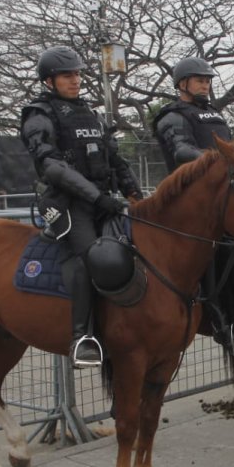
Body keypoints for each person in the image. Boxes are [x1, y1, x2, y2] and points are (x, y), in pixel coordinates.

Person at [20, 46, 143, 368]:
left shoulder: (91, 114)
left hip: (102, 200)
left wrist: (135, 193)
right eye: (66, 76)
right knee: (88, 256)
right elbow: (52, 167)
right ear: (49, 81)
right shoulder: (38, 114)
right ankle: (82, 337)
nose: (75, 80)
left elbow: (115, 159)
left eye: (76, 74)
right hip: (66, 203)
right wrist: (96, 198)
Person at [152, 56, 234, 355]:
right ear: (182, 84)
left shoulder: (215, 115)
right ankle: (217, 318)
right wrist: (220, 160)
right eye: (199, 80)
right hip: (189, 201)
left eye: (207, 81)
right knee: (209, 252)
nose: (205, 85)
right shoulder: (172, 116)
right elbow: (181, 151)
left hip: (219, 195)